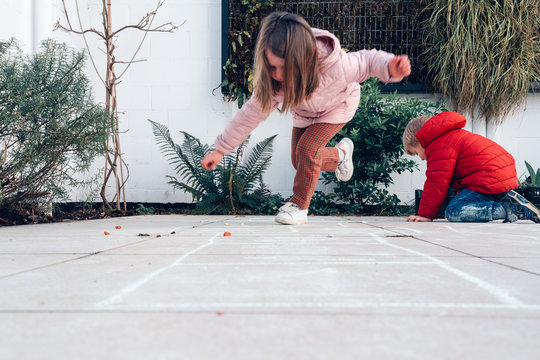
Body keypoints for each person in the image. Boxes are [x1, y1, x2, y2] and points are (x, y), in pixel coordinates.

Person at [201, 11, 411, 225]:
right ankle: (340, 155)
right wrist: (220, 150)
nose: (278, 74)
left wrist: (390, 67)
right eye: (272, 67)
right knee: (298, 161)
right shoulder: (274, 85)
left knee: (307, 150)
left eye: (285, 67)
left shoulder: (337, 65)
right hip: (305, 114)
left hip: (338, 108)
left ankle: (299, 205)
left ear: (307, 56)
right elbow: (248, 116)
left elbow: (367, 61)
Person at [403, 111, 540, 223]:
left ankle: (510, 209)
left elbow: (436, 181)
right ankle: (506, 198)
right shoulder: (450, 136)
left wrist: (425, 215)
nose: (421, 158)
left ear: (420, 139)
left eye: (416, 152)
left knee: (453, 211)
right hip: (496, 174)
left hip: (489, 177)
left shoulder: (439, 144)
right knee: (462, 202)